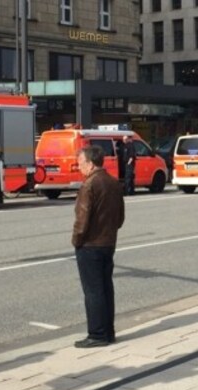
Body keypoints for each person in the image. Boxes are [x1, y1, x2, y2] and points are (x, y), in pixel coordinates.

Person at [72, 146, 125, 348]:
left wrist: (77, 240)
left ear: (91, 163)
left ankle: (96, 334)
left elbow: (82, 219)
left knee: (93, 291)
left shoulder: (89, 185)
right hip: (108, 242)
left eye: (80, 163)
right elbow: (120, 218)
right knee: (106, 288)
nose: (79, 168)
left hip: (90, 245)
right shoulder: (113, 183)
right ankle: (108, 331)